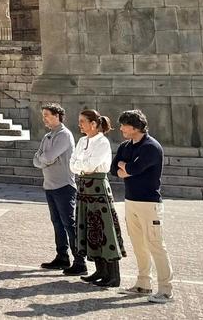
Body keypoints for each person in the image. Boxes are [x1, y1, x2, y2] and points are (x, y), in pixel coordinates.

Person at [112, 109, 173, 304]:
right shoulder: (125, 146)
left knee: (156, 245)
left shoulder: (151, 147)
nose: (121, 128)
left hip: (149, 203)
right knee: (138, 245)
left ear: (134, 127)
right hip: (130, 201)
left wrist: (126, 167)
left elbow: (134, 168)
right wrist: (126, 168)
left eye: (124, 125)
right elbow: (114, 169)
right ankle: (143, 283)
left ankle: (165, 290)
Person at [69, 109, 126, 289]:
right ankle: (100, 271)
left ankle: (113, 275)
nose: (79, 124)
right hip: (84, 188)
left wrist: (81, 166)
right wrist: (82, 167)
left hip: (98, 189)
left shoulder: (102, 142)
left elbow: (90, 165)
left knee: (104, 229)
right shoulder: (82, 141)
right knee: (89, 228)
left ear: (93, 124)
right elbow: (72, 164)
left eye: (82, 121)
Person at [32, 103, 80, 275]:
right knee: (57, 223)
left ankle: (80, 261)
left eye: (47, 115)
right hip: (50, 186)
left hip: (64, 186)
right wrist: (45, 159)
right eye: (43, 115)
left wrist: (44, 159)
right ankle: (62, 257)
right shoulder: (47, 136)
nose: (44, 118)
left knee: (69, 223)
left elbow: (49, 156)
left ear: (57, 116)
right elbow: (36, 160)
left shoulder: (64, 135)